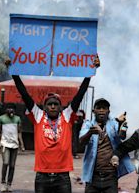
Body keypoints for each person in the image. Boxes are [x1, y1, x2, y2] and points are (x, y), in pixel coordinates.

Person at [7, 56, 100, 193]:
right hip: (42, 176)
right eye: (49, 104)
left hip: (63, 177)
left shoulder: (67, 115)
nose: (52, 107)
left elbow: (81, 93)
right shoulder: (38, 116)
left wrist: (91, 71)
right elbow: (24, 93)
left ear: (60, 106)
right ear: (44, 107)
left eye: (55, 104)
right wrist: (13, 71)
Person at [79, 98, 134, 193]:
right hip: (93, 176)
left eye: (104, 108)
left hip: (110, 176)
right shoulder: (88, 124)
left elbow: (122, 136)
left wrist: (122, 124)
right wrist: (90, 133)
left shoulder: (114, 123)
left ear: (108, 111)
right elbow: (81, 142)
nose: (101, 110)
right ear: (93, 111)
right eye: (98, 108)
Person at [0, 102, 25, 192]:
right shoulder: (1, 118)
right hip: (5, 144)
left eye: (12, 108)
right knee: (6, 162)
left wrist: (22, 144)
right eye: (9, 108)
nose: (11, 110)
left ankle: (9, 184)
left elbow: (19, 132)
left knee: (12, 165)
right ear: (5, 109)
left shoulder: (17, 119)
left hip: (15, 145)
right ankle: (3, 183)